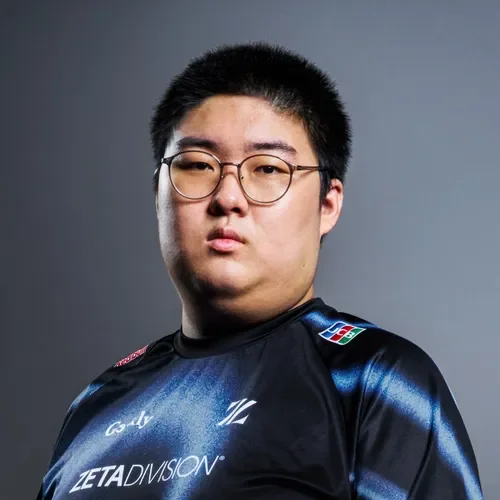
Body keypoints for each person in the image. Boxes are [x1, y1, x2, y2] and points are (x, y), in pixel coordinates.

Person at [37, 42, 483, 499]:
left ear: (327, 205)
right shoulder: (99, 403)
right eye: (198, 165)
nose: (228, 197)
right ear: (159, 194)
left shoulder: (373, 380)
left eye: (268, 169)